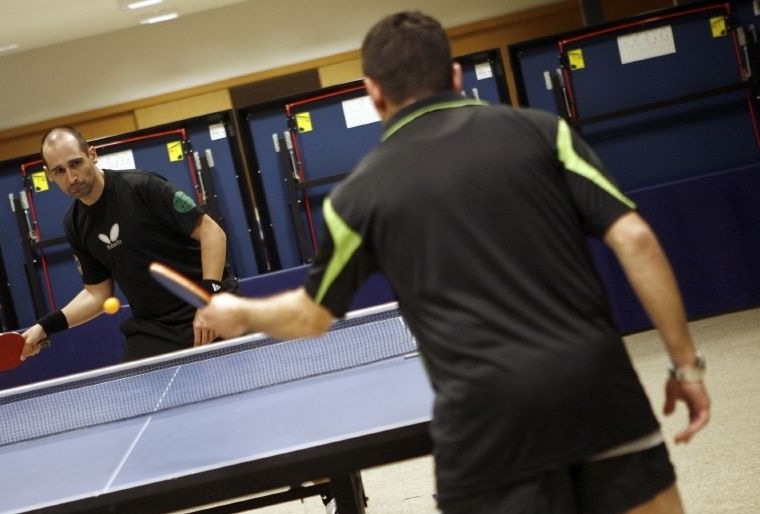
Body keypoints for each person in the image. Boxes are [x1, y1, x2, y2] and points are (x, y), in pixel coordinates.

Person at [198, 11, 710, 514]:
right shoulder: (543, 133)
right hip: (597, 392)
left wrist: (240, 313)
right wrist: (685, 366)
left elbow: (311, 316)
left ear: (372, 91)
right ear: (457, 76)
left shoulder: (355, 198)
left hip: (485, 424)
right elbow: (637, 240)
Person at [21, 126, 239, 361]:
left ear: (92, 155)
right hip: (156, 328)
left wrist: (209, 299)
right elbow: (98, 294)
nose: (71, 178)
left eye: (76, 164)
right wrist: (45, 327)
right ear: (49, 175)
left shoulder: (143, 187)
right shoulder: (74, 224)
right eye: (59, 171)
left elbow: (212, 233)